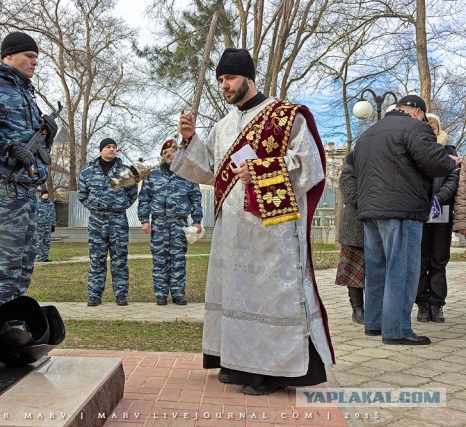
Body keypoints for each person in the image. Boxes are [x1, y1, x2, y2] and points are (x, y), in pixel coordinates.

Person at [174, 48, 334, 395]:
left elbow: (310, 165)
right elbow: (208, 171)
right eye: (219, 80)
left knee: (268, 297)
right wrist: (189, 140)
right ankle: (237, 363)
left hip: (271, 230)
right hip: (231, 232)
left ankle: (274, 372)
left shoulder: (287, 116)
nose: (224, 85)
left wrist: (263, 169)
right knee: (236, 295)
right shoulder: (223, 126)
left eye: (229, 78)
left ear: (248, 77)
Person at [354, 95, 461, 345]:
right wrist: (451, 162)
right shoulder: (415, 128)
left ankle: (375, 323)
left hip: (370, 210)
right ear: (416, 112)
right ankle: (397, 330)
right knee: (401, 270)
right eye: (424, 116)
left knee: (378, 268)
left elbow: (355, 168)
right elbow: (434, 162)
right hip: (402, 209)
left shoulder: (368, 133)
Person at [0, 31, 58, 307]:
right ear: (9, 56)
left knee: (23, 266)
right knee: (4, 268)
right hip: (1, 190)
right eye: (29, 56)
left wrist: (47, 138)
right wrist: (6, 148)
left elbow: (30, 144)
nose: (35, 62)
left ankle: (10, 326)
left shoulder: (25, 93)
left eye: (36, 58)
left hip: (25, 191)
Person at [138, 139, 203, 306]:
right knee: (160, 260)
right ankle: (160, 294)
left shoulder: (187, 174)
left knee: (178, 260)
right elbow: (144, 198)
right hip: (159, 223)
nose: (171, 155)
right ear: (162, 156)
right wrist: (144, 220)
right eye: (167, 153)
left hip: (179, 223)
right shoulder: (152, 174)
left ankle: (178, 293)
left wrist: (197, 221)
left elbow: (196, 198)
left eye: (174, 152)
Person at [77, 138, 138, 306]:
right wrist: (94, 205)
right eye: (108, 147)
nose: (112, 149)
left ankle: (121, 295)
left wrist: (121, 205)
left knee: (120, 259)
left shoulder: (125, 172)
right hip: (97, 220)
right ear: (101, 150)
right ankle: (94, 295)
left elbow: (132, 194)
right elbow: (82, 195)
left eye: (114, 147)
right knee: (97, 259)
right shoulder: (87, 172)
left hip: (118, 220)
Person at [415, 113, 459, 323]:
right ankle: (422, 303)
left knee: (438, 260)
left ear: (439, 129)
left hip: (442, 211)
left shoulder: (449, 152)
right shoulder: (416, 150)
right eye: (427, 126)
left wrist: (440, 198)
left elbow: (453, 177)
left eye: (434, 126)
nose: (431, 129)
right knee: (420, 260)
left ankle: (437, 304)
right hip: (420, 211)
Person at [335, 151, 365, 324]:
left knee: (370, 271)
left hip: (370, 226)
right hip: (354, 228)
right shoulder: (349, 171)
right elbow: (352, 196)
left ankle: (371, 307)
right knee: (354, 271)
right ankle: (358, 309)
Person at [35, 189, 57, 262]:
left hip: (48, 225)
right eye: (44, 193)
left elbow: (53, 214)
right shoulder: (37, 203)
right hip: (39, 226)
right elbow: (34, 215)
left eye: (47, 193)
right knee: (39, 242)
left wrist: (53, 225)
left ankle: (45, 257)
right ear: (42, 195)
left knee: (47, 242)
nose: (46, 195)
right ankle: (40, 257)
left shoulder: (50, 204)